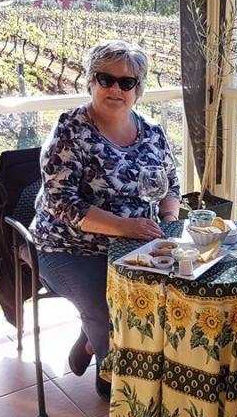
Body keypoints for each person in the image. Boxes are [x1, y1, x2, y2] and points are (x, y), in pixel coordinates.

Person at [30, 40, 180, 398]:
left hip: (137, 242)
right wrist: (125, 226)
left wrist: (170, 220)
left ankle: (94, 342)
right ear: (91, 82)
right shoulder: (70, 131)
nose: (115, 88)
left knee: (173, 296)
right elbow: (61, 202)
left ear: (138, 89)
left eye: (126, 82)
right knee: (106, 303)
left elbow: (171, 185)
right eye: (105, 79)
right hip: (68, 245)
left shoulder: (152, 132)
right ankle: (117, 382)